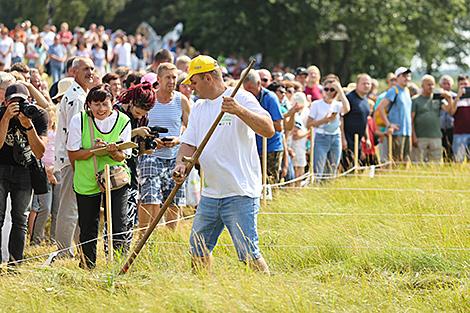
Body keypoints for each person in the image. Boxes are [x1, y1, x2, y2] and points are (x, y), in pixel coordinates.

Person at [174, 55, 274, 273]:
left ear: (208, 78)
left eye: (194, 81)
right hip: (211, 194)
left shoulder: (241, 98)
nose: (191, 86)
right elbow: (188, 144)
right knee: (198, 249)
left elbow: (268, 129)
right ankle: (202, 294)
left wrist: (239, 111)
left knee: (248, 253)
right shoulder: (199, 107)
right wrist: (181, 165)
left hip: (239, 191)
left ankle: (270, 292)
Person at [67, 84, 131, 269]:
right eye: (96, 104)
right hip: (87, 179)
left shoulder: (124, 121)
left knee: (118, 225)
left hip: (115, 179)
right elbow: (73, 153)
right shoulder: (78, 120)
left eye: (105, 103)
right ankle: (88, 266)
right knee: (88, 226)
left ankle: (118, 267)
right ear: (88, 105)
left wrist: (112, 151)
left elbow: (123, 156)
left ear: (112, 103)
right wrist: (94, 150)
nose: (101, 109)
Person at [138, 63, 190, 231]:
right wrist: (152, 140)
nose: (172, 81)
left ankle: (170, 239)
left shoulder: (181, 100)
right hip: (150, 154)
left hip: (175, 156)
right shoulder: (149, 99)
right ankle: (143, 237)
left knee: (174, 201)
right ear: (158, 79)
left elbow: (191, 129)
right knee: (150, 198)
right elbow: (138, 125)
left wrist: (178, 139)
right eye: (168, 77)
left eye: (174, 77)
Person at [0, 83, 48, 264]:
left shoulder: (37, 115)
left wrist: (28, 126)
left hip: (25, 170)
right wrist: (5, 118)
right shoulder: (1, 113)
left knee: (20, 218)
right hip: (1, 167)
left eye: (22, 101)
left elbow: (40, 152)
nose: (18, 106)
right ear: (5, 102)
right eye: (14, 101)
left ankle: (15, 263)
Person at [54, 57, 95, 258]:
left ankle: (79, 249)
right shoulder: (77, 99)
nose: (90, 72)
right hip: (73, 160)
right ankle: (62, 252)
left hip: (76, 159)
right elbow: (75, 136)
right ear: (74, 72)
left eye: (92, 68)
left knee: (77, 207)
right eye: (86, 69)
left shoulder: (80, 95)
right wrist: (78, 162)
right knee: (69, 208)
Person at [113, 83, 156, 249]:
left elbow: (136, 149)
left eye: (143, 114)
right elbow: (113, 139)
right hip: (115, 166)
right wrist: (136, 132)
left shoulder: (143, 118)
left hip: (132, 167)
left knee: (130, 210)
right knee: (117, 211)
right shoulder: (116, 112)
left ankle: (125, 250)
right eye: (138, 112)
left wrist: (148, 147)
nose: (139, 117)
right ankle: (114, 249)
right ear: (131, 102)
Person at [243, 70, 284, 184]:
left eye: (251, 89)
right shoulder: (243, 98)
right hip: (252, 147)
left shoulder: (270, 98)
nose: (249, 93)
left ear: (259, 84)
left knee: (270, 183)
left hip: (270, 148)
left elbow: (279, 126)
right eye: (246, 89)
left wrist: (260, 123)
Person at [307, 74, 350, 179]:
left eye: (332, 90)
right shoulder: (316, 104)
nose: (329, 92)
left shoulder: (338, 104)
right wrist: (325, 120)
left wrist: (340, 90)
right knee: (319, 169)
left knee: (332, 169)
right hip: (321, 137)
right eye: (326, 89)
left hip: (335, 137)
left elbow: (347, 109)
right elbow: (309, 124)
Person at [29, 105, 59, 245]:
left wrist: (54, 169)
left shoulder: (58, 131)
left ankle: (54, 240)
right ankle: (36, 239)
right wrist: (47, 170)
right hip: (42, 170)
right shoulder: (38, 132)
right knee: (44, 208)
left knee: (57, 209)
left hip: (57, 170)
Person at [411, 75, 452, 163]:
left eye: (433, 84)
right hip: (420, 137)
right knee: (419, 162)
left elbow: (449, 110)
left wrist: (449, 98)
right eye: (429, 85)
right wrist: (413, 136)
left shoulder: (438, 99)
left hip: (436, 136)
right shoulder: (415, 100)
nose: (431, 87)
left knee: (436, 164)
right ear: (422, 86)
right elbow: (411, 120)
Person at [376, 67, 412, 161]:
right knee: (396, 161)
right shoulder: (394, 90)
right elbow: (380, 108)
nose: (406, 78)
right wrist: (389, 124)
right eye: (404, 76)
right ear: (397, 78)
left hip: (407, 131)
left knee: (406, 160)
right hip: (396, 132)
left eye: (408, 76)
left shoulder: (407, 91)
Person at [341, 74, 372, 169]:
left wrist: (367, 138)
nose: (366, 86)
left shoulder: (366, 100)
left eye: (368, 84)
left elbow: (365, 120)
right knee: (348, 167)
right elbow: (341, 118)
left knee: (358, 166)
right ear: (357, 84)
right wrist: (343, 138)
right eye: (363, 83)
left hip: (358, 140)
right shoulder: (349, 98)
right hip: (348, 138)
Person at [448, 75, 470, 162]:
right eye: (461, 84)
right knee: (458, 160)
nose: (464, 86)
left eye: (465, 84)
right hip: (460, 133)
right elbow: (451, 112)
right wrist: (458, 97)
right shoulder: (454, 98)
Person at [439, 75, 456, 161]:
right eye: (444, 83)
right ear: (440, 85)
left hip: (452, 126)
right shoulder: (437, 96)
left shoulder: (455, 96)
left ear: (451, 85)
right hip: (440, 127)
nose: (446, 86)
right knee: (442, 148)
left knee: (452, 148)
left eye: (448, 84)